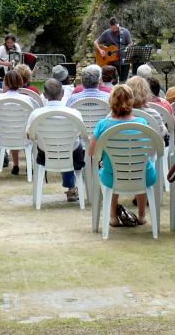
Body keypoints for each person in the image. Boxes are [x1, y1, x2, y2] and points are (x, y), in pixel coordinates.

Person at [91, 85, 156, 227]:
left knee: (109, 168)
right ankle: (141, 215)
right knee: (144, 167)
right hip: (142, 174)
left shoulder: (103, 125)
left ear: (111, 102)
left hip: (113, 176)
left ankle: (113, 217)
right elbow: (149, 150)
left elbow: (92, 152)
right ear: (132, 101)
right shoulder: (142, 123)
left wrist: (103, 159)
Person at [26, 79, 85, 202]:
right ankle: (72, 187)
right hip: (71, 153)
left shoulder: (36, 114)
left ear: (45, 95)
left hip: (46, 153)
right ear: (63, 93)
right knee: (71, 145)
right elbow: (81, 134)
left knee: (64, 144)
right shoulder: (74, 113)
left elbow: (29, 135)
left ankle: (71, 186)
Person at [94, 17, 132, 83]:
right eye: (112, 28)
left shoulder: (125, 32)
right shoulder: (107, 33)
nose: (114, 30)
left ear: (118, 25)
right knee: (113, 81)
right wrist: (100, 50)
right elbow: (95, 42)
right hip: (112, 62)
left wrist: (129, 46)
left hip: (124, 61)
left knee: (123, 81)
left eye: (115, 28)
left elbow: (130, 43)